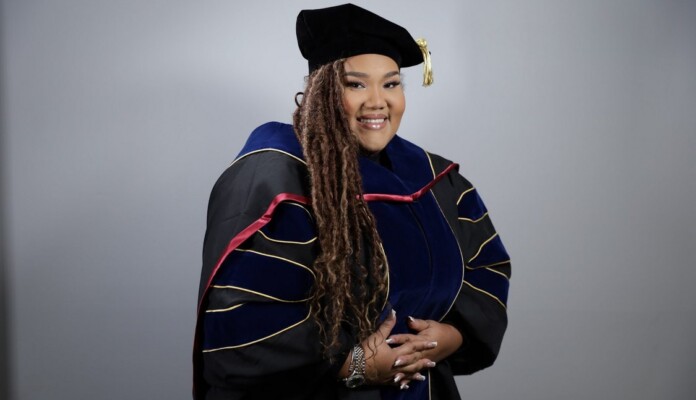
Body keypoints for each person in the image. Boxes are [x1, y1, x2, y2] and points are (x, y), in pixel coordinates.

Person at [193, 4, 510, 400]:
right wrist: (357, 365)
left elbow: (486, 273)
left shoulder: (435, 180)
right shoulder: (278, 178)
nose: (377, 101)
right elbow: (244, 330)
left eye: (391, 84)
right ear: (322, 92)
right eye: (356, 85)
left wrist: (449, 337)